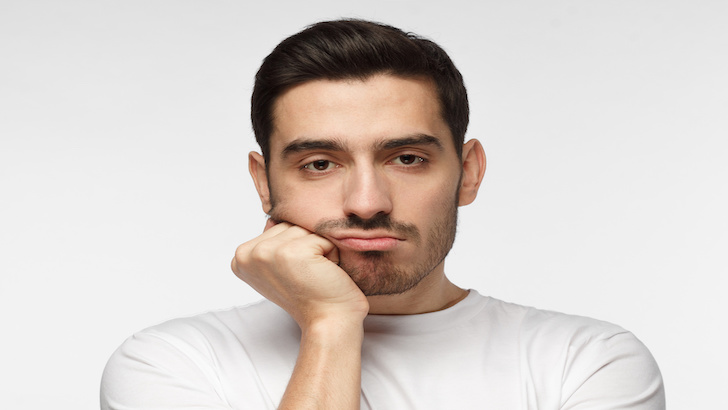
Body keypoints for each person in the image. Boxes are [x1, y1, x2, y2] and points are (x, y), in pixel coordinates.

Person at [101, 19, 664, 409]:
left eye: (408, 158)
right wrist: (330, 324)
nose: (367, 202)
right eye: (320, 163)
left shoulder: (587, 363)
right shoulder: (170, 364)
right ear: (262, 182)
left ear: (468, 172)